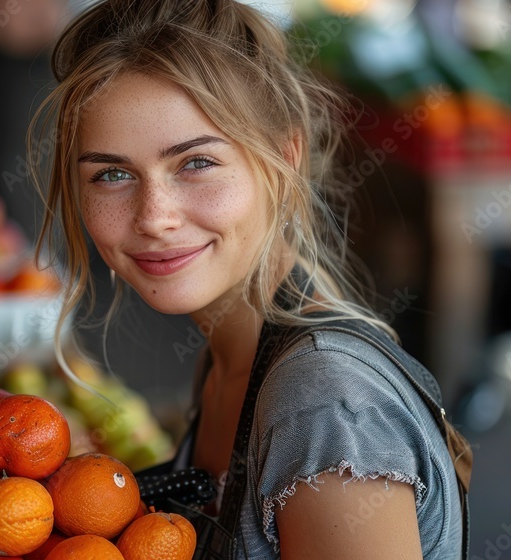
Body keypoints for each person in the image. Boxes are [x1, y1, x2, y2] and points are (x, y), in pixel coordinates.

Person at [30, 1, 472, 558]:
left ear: (284, 158)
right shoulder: (231, 353)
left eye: (196, 163)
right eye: (112, 174)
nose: (154, 216)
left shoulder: (323, 403)